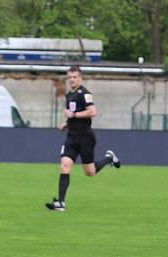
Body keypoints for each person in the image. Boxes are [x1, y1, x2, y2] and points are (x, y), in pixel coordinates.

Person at [46, 65, 121, 211]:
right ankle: (60, 202)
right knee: (65, 166)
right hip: (71, 138)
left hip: (85, 138)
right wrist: (67, 123)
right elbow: (73, 115)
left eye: (74, 77)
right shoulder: (69, 95)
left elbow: (92, 111)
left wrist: (72, 116)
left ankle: (109, 158)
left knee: (90, 172)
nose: (72, 80)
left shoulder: (84, 93)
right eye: (70, 77)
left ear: (80, 78)